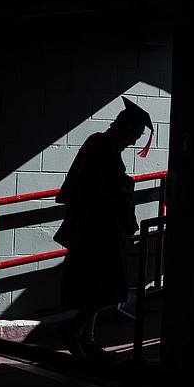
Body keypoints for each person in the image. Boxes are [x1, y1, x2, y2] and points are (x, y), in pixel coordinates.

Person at [53, 96, 154, 361]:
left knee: (95, 285)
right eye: (137, 134)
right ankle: (73, 329)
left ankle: (87, 339)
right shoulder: (107, 148)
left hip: (88, 225)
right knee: (111, 286)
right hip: (101, 229)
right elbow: (113, 192)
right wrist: (129, 223)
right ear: (128, 128)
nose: (135, 141)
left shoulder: (96, 142)